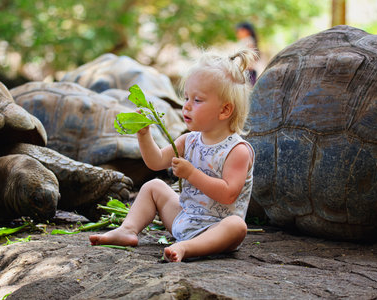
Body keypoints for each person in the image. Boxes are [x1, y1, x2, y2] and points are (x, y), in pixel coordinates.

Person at [89, 48, 256, 262]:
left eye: (197, 100)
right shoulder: (189, 140)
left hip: (217, 229)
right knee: (153, 186)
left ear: (224, 110)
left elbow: (228, 194)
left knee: (237, 226)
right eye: (186, 97)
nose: (186, 105)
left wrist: (191, 174)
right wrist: (144, 134)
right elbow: (156, 161)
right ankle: (128, 229)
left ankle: (188, 247)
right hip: (184, 218)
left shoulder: (237, 150)